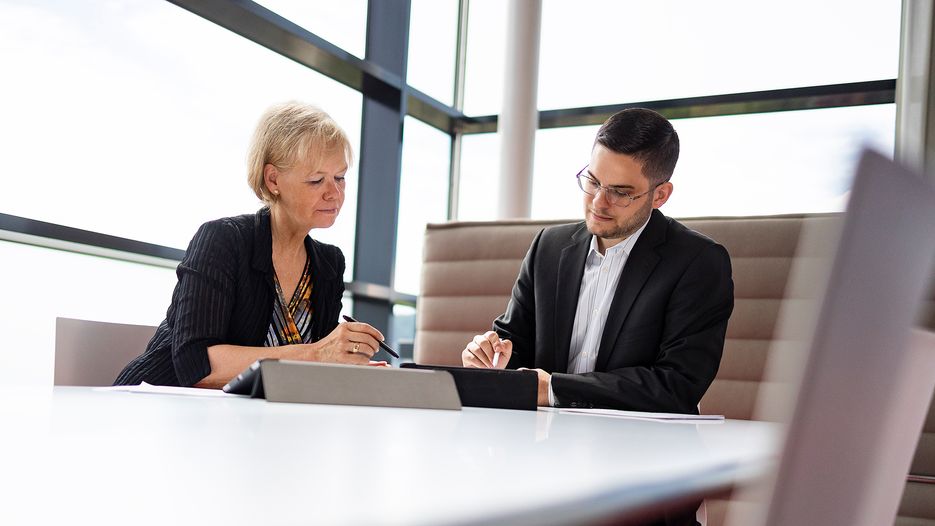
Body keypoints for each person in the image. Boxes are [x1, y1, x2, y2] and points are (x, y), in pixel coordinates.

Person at [462, 108, 734, 415]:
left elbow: (677, 385)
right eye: (592, 181)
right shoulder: (548, 247)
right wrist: (490, 356)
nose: (598, 202)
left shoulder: (699, 262)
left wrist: (554, 389)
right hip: (540, 435)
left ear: (660, 195)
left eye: (620, 192)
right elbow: (514, 341)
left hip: (641, 437)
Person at [116, 101, 385, 388]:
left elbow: (314, 367)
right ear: (273, 180)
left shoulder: (329, 263)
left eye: (340, 177)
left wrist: (348, 369)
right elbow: (197, 367)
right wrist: (318, 355)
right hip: (152, 402)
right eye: (316, 180)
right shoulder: (222, 240)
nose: (334, 193)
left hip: (243, 412)